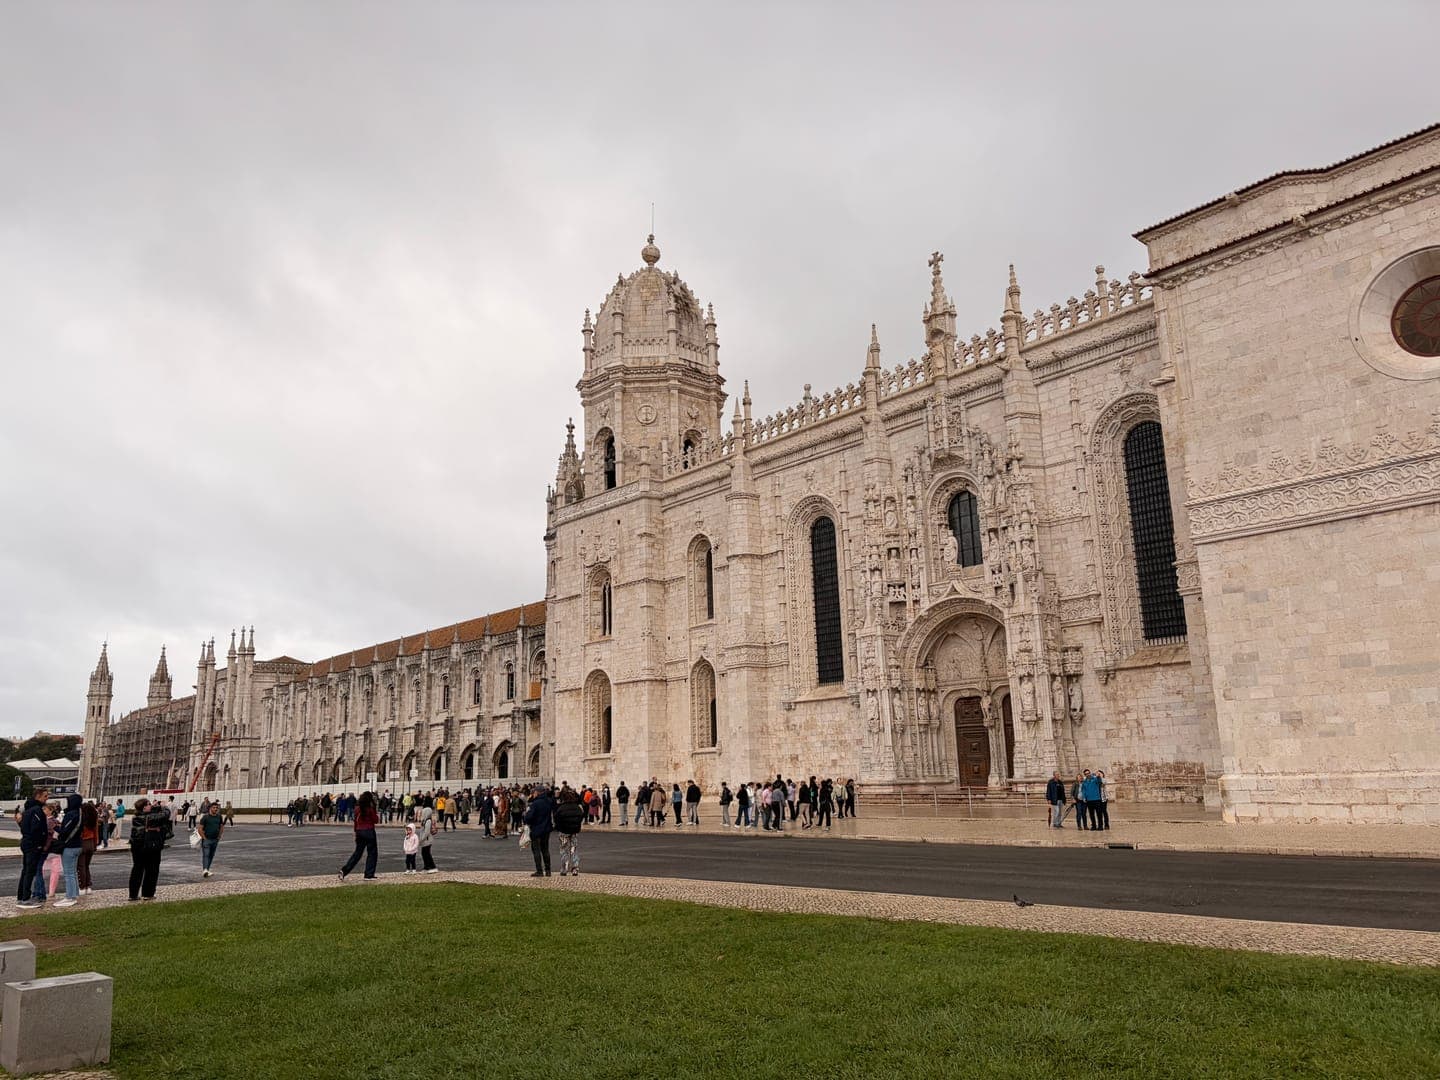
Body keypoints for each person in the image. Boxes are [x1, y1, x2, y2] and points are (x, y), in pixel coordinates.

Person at [128, 797, 172, 901]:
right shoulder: (150, 818)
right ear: (144, 808)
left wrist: (155, 806)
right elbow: (165, 815)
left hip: (137, 846)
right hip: (150, 846)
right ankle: (148, 893)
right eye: (148, 804)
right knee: (152, 870)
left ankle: (133, 894)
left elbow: (154, 814)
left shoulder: (137, 817)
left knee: (137, 869)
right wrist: (164, 806)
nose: (150, 806)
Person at [15, 788, 50, 909]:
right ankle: (25, 898)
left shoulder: (28, 810)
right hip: (32, 845)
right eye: (45, 796)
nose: (47, 798)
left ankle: (21, 896)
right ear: (38, 797)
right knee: (29, 871)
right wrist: (40, 843)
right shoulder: (36, 811)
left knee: (26, 871)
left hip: (27, 843)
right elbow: (36, 829)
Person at [339, 790, 380, 881]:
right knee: (372, 853)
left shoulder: (357, 809)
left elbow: (355, 822)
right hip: (369, 831)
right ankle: (369, 874)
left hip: (359, 831)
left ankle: (345, 870)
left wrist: (355, 833)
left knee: (357, 853)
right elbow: (376, 820)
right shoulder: (370, 808)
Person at [523, 785, 556, 877]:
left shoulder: (536, 803)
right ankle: (548, 870)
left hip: (536, 829)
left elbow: (529, 817)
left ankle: (539, 870)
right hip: (546, 829)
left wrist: (526, 817)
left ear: (537, 792)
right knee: (545, 850)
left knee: (536, 850)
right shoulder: (548, 801)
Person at [554, 789, 585, 876]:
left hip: (563, 832)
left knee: (564, 850)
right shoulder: (577, 808)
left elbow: (557, 819)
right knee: (573, 849)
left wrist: (559, 827)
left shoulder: (561, 808)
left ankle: (564, 868)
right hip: (574, 831)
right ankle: (575, 868)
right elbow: (581, 817)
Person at [197, 800, 226, 878]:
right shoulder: (205, 817)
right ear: (210, 808)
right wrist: (204, 838)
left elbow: (221, 826)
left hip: (215, 839)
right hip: (207, 839)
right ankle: (205, 869)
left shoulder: (219, 816)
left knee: (211, 855)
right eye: (214, 807)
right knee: (206, 855)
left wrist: (219, 836)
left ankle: (206, 870)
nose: (216, 809)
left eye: (217, 808)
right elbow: (200, 828)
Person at [78, 801, 100, 895]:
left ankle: (82, 886)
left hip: (82, 842)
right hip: (91, 842)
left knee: (80, 866)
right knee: (86, 866)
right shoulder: (93, 819)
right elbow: (96, 832)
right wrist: (95, 844)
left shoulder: (82, 819)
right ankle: (88, 885)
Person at [417, 805, 438, 872]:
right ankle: (427, 867)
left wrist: (421, 840)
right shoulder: (425, 820)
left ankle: (432, 867)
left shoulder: (428, 821)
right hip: (425, 840)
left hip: (427, 840)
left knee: (427, 854)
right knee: (425, 854)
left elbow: (426, 832)